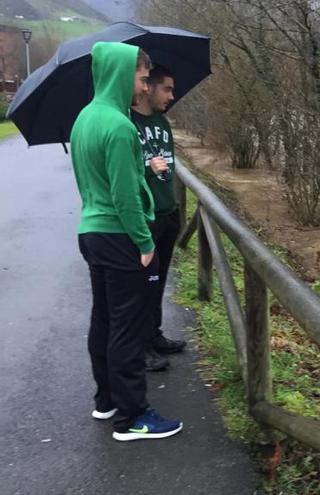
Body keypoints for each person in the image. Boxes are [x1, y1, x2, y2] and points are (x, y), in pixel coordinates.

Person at [71, 42, 182, 441]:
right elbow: (125, 196)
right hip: (120, 235)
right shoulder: (119, 126)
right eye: (139, 77)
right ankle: (133, 416)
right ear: (121, 75)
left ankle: (107, 401)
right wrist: (144, 242)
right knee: (127, 328)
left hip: (92, 231)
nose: (143, 85)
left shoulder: (85, 118)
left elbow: (95, 181)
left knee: (103, 320)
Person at [131, 65, 187, 372]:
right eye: (166, 89)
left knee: (159, 280)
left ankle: (154, 335)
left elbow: (169, 167)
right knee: (143, 284)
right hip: (146, 217)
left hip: (169, 213)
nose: (171, 95)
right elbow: (123, 173)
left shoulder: (162, 123)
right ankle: (140, 346)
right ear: (147, 87)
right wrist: (144, 168)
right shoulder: (127, 123)